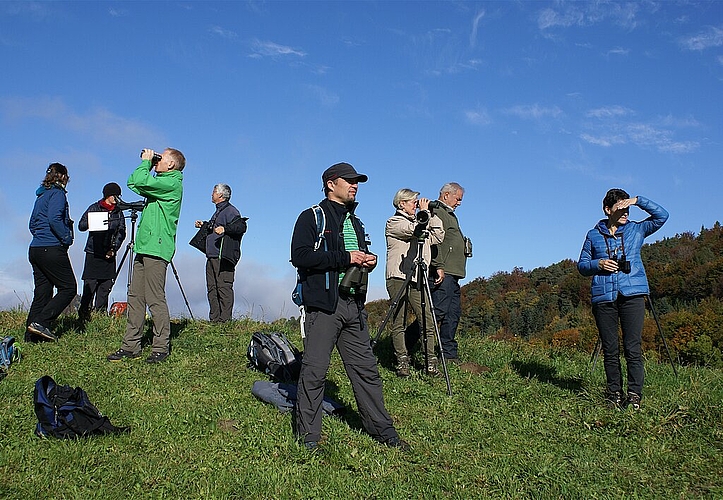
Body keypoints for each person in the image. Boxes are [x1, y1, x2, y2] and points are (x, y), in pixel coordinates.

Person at [290, 162, 408, 451]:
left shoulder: (356, 221)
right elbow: (300, 256)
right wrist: (345, 258)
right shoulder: (311, 217)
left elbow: (356, 254)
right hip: (323, 307)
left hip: (353, 305)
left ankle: (384, 431)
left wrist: (368, 259)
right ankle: (308, 437)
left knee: (366, 371)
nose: (355, 186)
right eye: (349, 181)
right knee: (315, 372)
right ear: (331, 184)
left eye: (357, 182)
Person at [578, 189, 668, 410]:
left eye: (628, 208)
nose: (626, 212)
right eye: (621, 208)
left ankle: (634, 395)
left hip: (633, 295)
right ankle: (614, 394)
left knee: (632, 347)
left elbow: (662, 216)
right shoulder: (593, 235)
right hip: (604, 297)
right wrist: (598, 264)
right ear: (608, 210)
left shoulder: (637, 229)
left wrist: (638, 201)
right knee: (610, 349)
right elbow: (581, 266)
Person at [107, 148, 185, 364]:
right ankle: (131, 345)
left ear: (171, 164)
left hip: (157, 248)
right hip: (144, 246)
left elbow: (140, 182)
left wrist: (146, 163)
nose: (157, 159)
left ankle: (161, 347)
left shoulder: (171, 184)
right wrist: (149, 164)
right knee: (135, 297)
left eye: (162, 157)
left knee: (154, 298)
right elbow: (134, 182)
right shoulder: (158, 182)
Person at [385, 188, 445, 377]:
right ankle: (402, 361)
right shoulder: (393, 222)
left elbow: (438, 236)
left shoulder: (421, 220)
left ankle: (431, 362)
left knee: (427, 319)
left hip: (417, 276)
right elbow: (413, 231)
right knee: (399, 320)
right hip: (398, 276)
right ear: (401, 203)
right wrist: (425, 213)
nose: (416, 205)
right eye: (413, 202)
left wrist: (432, 214)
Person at [26, 162, 77, 342]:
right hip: (51, 248)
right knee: (69, 288)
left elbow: (32, 224)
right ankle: (42, 322)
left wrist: (40, 236)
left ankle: (31, 336)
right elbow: (55, 218)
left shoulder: (41, 196)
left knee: (42, 292)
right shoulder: (58, 194)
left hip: (35, 248)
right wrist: (66, 238)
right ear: (63, 177)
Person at [194, 183, 247, 322]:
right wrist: (205, 225)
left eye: (213, 191)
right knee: (212, 289)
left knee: (223, 288)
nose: (211, 194)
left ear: (221, 195)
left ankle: (225, 322)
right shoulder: (219, 211)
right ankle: (215, 320)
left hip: (223, 257)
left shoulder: (231, 211)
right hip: (212, 256)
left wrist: (225, 229)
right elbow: (216, 227)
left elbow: (241, 226)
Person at [430, 182, 470, 363]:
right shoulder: (437, 211)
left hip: (453, 272)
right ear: (446, 195)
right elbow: (435, 240)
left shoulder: (449, 214)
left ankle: (448, 354)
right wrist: (438, 265)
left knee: (453, 313)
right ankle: (408, 343)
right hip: (443, 270)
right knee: (437, 310)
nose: (459, 203)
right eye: (458, 199)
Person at [77, 182, 127, 323]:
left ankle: (100, 316)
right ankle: (83, 315)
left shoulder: (118, 212)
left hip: (109, 254)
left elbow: (121, 232)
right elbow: (81, 225)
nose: (117, 198)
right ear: (108, 195)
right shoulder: (94, 208)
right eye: (115, 195)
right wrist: (93, 222)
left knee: (105, 287)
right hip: (93, 252)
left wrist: (113, 249)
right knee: (90, 285)